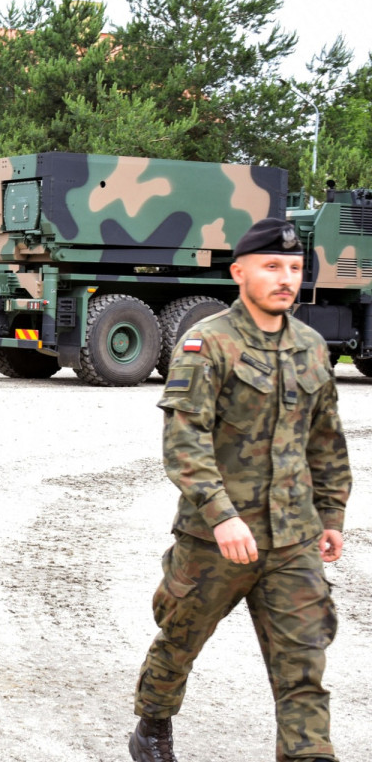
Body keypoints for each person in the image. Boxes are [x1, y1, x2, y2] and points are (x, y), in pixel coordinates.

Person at [128, 218, 351, 762]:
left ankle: (308, 753)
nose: (286, 279)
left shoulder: (313, 347)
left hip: (293, 538)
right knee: (180, 640)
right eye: (272, 266)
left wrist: (331, 515)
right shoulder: (209, 343)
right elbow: (185, 438)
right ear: (239, 272)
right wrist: (221, 514)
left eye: (295, 269)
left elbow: (326, 441)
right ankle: (152, 725)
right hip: (214, 538)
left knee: (304, 665)